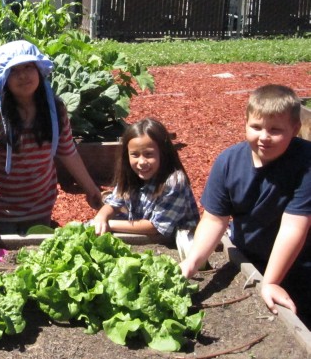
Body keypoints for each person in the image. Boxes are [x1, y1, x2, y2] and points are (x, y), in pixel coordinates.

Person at [179, 84, 311, 325]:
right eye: (256, 127)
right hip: (248, 257)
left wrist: (271, 281)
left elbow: (294, 227)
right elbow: (214, 219)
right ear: (245, 123)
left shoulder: (306, 164)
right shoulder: (228, 161)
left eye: (275, 130)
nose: (264, 137)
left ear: (295, 129)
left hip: (300, 264)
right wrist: (192, 262)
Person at [0, 40, 102, 249]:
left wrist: (91, 189)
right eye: (14, 71)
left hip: (41, 205)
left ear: (39, 71)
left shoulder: (55, 110)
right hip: (3, 210)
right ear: (3, 78)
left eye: (28, 67)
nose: (23, 75)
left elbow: (68, 151)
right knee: (5, 259)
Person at [93, 118, 199, 239]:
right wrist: (101, 217)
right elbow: (114, 203)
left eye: (149, 154)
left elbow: (156, 227)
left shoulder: (173, 181)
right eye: (135, 155)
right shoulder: (130, 173)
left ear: (163, 153)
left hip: (177, 242)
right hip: (146, 236)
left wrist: (110, 224)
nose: (142, 162)